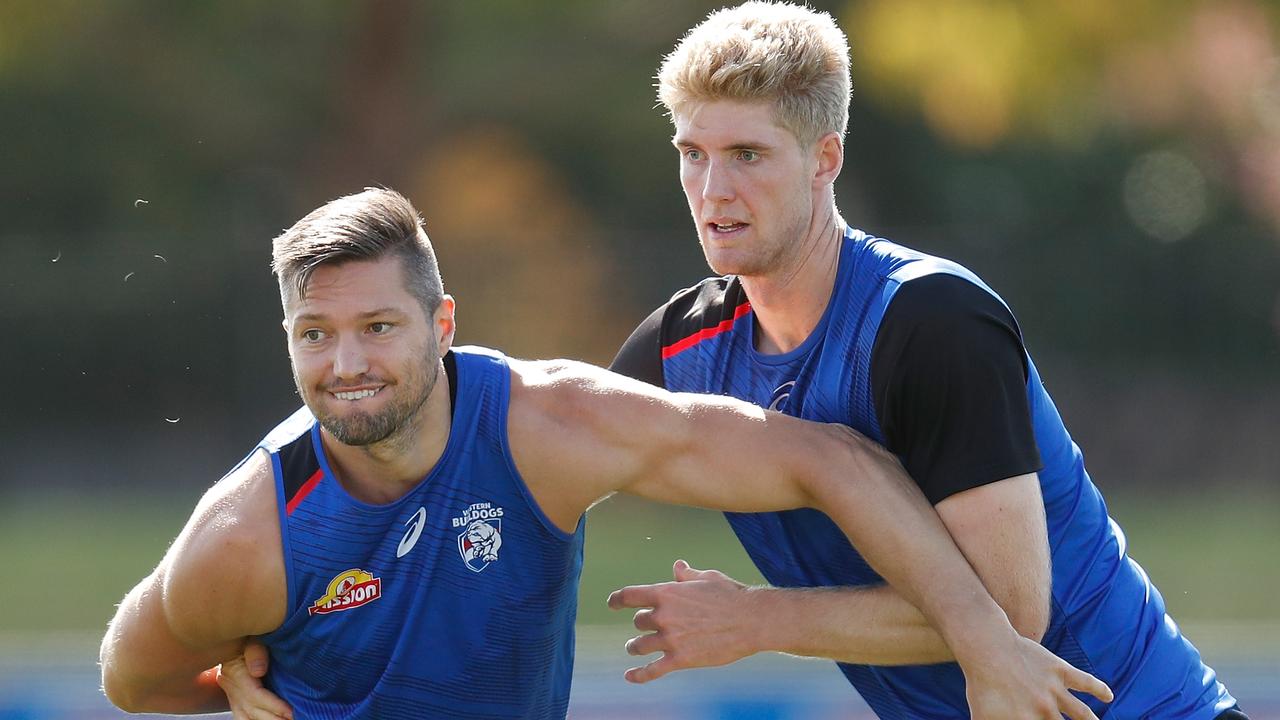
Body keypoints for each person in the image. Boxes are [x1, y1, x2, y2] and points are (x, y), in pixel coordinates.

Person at [99, 188, 1110, 720]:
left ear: (441, 323)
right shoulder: (247, 537)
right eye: (314, 336)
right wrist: (233, 682)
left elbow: (829, 461)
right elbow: (129, 678)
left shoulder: (553, 428)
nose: (345, 363)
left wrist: (984, 645)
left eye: (377, 327)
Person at [604, 2, 1246, 719]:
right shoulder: (684, 344)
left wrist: (754, 619)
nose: (714, 190)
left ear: (826, 158)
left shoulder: (930, 323)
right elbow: (547, 440)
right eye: (694, 154)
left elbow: (1008, 615)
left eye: (747, 155)